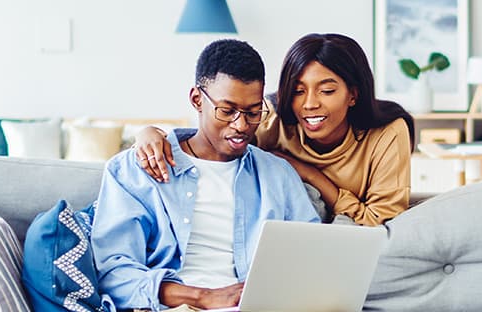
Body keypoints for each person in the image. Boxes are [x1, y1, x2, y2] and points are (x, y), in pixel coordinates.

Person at [90, 39, 322, 311]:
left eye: (252, 112)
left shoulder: (277, 175)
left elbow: (312, 258)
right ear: (197, 100)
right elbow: (113, 274)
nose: (241, 125)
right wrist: (202, 297)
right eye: (227, 111)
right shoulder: (137, 168)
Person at [129, 33, 414, 226]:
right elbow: (212, 139)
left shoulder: (387, 133)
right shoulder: (270, 116)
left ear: (353, 94)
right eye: (298, 91)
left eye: (326, 91)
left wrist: (307, 172)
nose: (309, 104)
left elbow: (383, 225)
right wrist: (151, 133)